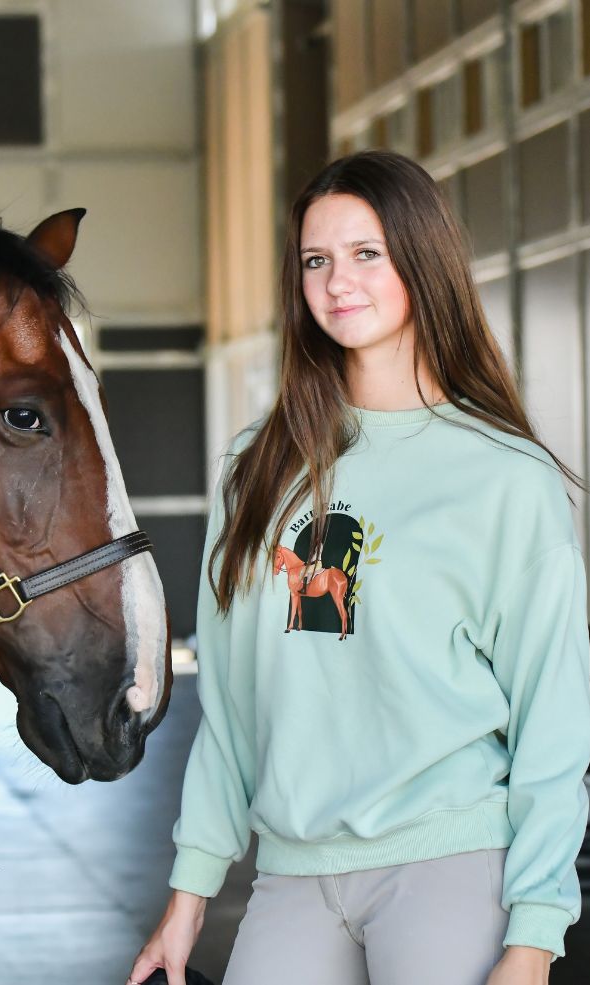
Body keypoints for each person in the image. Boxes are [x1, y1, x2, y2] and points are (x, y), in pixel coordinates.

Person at [127, 150, 590, 985]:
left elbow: (551, 724)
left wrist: (534, 933)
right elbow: (231, 703)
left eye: (365, 253)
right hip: (293, 870)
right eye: (316, 260)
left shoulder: (504, 477)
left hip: (449, 861)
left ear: (422, 260)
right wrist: (188, 893)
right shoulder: (256, 467)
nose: (337, 280)